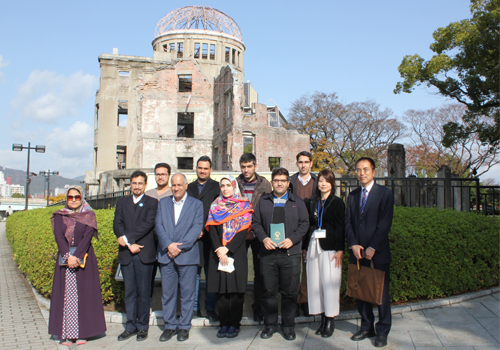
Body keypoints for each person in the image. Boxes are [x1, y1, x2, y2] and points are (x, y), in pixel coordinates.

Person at [252, 168, 309, 341]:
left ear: (288, 183)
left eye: (283, 180)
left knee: (290, 292)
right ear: (272, 181)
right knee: (268, 291)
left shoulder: (297, 202)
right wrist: (263, 238)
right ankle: (270, 325)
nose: (279, 183)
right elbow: (255, 223)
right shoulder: (263, 201)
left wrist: (292, 239)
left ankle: (288, 326)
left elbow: (305, 224)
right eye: (276, 180)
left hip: (290, 254)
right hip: (268, 254)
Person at [345, 157, 394, 348]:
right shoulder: (353, 195)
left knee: (381, 293)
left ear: (373, 171)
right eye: (358, 170)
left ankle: (382, 330)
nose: (361, 173)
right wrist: (353, 244)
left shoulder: (385, 193)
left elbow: (385, 223)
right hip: (357, 253)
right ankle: (366, 327)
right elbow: (348, 223)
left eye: (365, 169)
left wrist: (373, 246)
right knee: (362, 292)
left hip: (377, 252)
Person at [49, 186, 106, 346]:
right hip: (64, 260)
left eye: (77, 197)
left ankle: (83, 332)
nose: (73, 200)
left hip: (84, 259)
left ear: (82, 198)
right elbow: (59, 237)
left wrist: (77, 257)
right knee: (65, 297)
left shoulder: (89, 215)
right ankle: (66, 334)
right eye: (70, 197)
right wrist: (67, 256)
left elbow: (87, 238)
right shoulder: (59, 215)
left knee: (84, 295)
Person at [156, 173, 204, 342]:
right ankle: (169, 326)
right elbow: (159, 225)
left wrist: (179, 247)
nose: (176, 188)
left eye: (179, 185)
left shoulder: (196, 205)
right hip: (166, 255)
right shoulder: (163, 203)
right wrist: (168, 245)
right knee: (167, 294)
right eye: (173, 185)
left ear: (185, 185)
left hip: (187, 256)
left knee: (187, 293)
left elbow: (196, 228)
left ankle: (184, 326)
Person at [205, 175, 253, 338]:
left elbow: (242, 231)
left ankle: (234, 324)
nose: (225, 188)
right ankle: (224, 323)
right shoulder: (215, 205)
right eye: (222, 185)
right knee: (221, 290)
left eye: (228, 185)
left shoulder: (243, 205)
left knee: (236, 291)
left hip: (236, 253)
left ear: (234, 187)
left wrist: (228, 249)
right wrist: (219, 248)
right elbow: (211, 229)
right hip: (217, 253)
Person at [113, 171, 158, 342]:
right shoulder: (122, 202)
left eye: (140, 183)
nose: (137, 186)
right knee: (130, 292)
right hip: (127, 253)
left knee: (144, 292)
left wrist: (127, 240)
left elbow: (147, 225)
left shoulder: (152, 202)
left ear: (145, 185)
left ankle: (142, 327)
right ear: (130, 185)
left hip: (143, 252)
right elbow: (117, 224)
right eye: (134, 183)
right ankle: (130, 326)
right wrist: (127, 244)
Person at [304, 169, 345, 338]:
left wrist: (340, 249)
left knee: (329, 284)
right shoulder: (312, 202)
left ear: (332, 184)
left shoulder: (337, 202)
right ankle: (321, 317)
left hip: (331, 248)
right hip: (314, 245)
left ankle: (330, 319)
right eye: (320, 180)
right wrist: (305, 247)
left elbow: (341, 227)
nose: (323, 184)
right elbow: (309, 225)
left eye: (326, 181)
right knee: (316, 284)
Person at [236, 153, 272, 322]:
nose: (246, 170)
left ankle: (258, 308)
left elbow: (269, 209)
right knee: (238, 272)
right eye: (243, 166)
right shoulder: (234, 183)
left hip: (259, 234)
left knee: (260, 273)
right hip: (239, 234)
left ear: (255, 166)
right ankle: (237, 307)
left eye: (249, 166)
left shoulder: (265, 184)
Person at [187, 156, 220, 322]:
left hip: (210, 239)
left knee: (211, 275)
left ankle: (210, 308)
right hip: (192, 240)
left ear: (210, 170)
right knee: (193, 276)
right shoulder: (189, 187)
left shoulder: (217, 187)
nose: (202, 171)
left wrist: (205, 230)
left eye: (206, 168)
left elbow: (219, 212)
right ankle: (193, 308)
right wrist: (193, 231)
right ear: (196, 168)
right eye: (200, 168)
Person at [289, 151, 317, 316]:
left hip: (312, 229)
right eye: (300, 162)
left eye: (306, 162)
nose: (303, 165)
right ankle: (293, 302)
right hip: (293, 229)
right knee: (293, 269)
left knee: (308, 268)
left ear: (311, 163)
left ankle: (305, 301)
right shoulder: (291, 181)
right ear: (297, 163)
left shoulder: (316, 181)